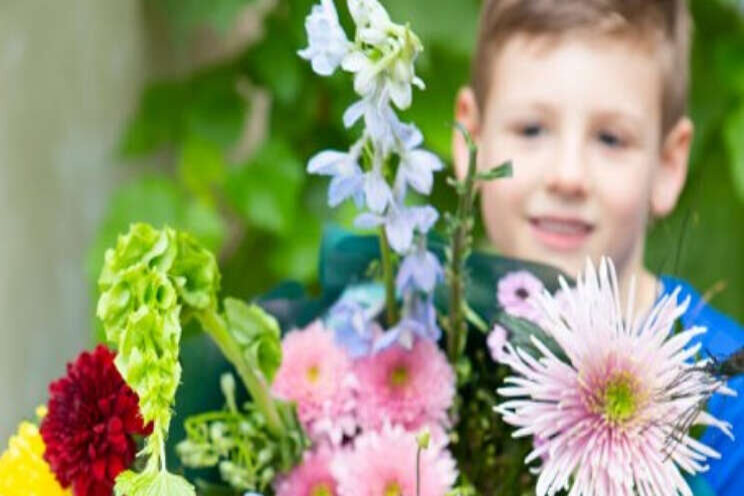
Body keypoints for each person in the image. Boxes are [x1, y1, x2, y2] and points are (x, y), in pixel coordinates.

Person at [451, 1, 744, 493]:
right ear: (471, 138)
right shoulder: (414, 347)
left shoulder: (729, 399)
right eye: (531, 129)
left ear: (669, 165)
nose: (568, 176)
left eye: (610, 138)